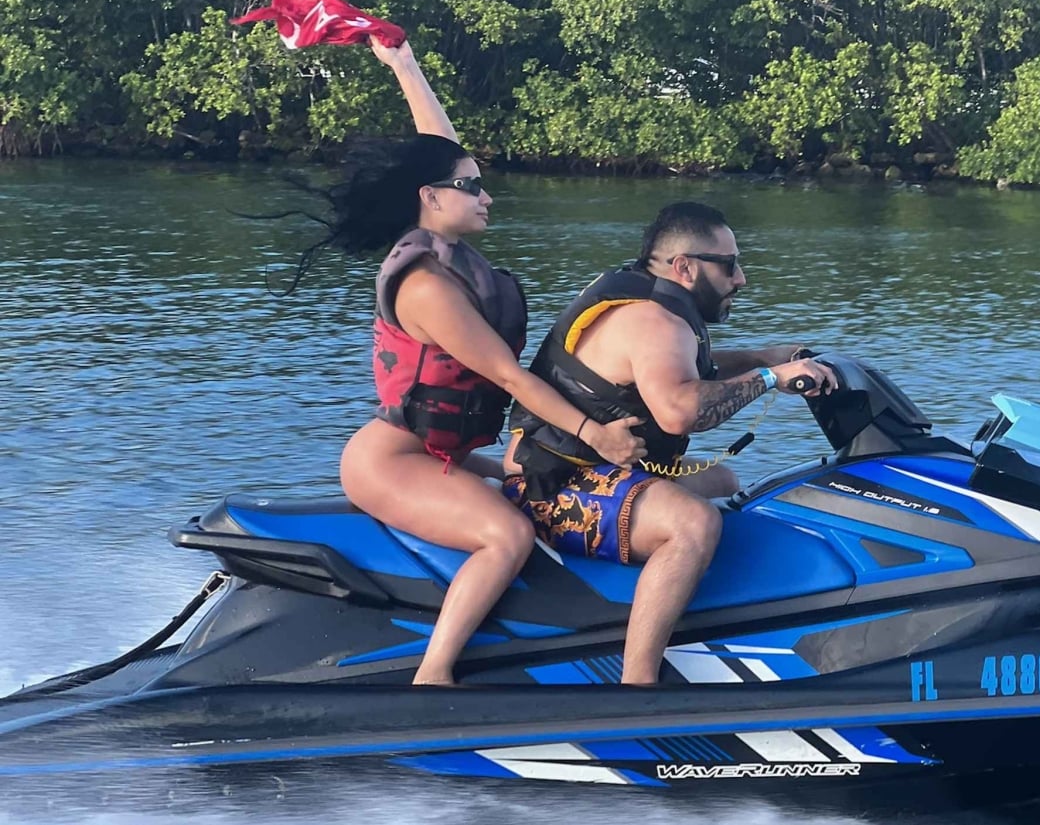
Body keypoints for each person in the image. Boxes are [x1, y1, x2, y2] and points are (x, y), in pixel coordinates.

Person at [287, 38, 645, 685]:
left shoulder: (443, 244)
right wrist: (596, 434)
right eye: (473, 189)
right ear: (431, 197)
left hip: (442, 452)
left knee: (542, 491)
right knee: (506, 533)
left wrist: (405, 65)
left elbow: (440, 151)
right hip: (392, 460)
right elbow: (509, 377)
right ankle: (434, 676)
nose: (487, 198)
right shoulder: (427, 284)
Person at [502, 202, 839, 684]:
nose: (740, 279)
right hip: (551, 486)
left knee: (722, 479)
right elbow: (681, 412)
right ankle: (637, 683)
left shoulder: (658, 309)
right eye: (728, 265)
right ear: (685, 267)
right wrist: (769, 377)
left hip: (593, 471)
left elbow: (684, 366)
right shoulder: (653, 319)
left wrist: (768, 355)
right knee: (694, 523)